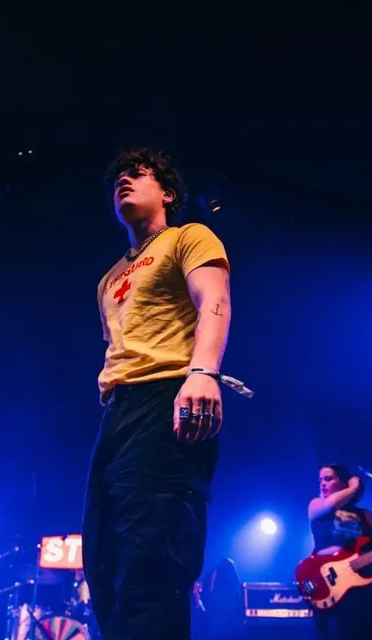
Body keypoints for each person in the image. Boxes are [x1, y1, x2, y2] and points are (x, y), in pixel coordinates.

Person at [82, 147, 233, 640]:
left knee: (152, 557)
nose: (123, 182)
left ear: (167, 193)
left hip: (169, 397)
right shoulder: (108, 279)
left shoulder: (188, 237)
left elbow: (214, 299)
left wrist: (203, 372)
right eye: (117, 179)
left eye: (137, 174)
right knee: (104, 559)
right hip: (118, 411)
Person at [307, 464, 372, 640]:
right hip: (329, 587)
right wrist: (353, 487)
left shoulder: (366, 515)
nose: (322, 484)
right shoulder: (316, 505)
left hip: (362, 587)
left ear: (342, 482)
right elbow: (331, 505)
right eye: (320, 480)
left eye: (328, 479)